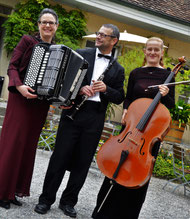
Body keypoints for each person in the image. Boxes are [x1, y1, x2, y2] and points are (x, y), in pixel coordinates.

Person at [34, 24, 125, 218]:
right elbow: (64, 76)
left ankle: (68, 202)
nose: (98, 37)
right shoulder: (82, 53)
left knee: (83, 162)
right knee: (59, 158)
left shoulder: (118, 69)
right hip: (73, 110)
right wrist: (80, 88)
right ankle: (46, 199)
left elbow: (119, 96)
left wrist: (106, 89)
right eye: (98, 33)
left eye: (103, 35)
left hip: (95, 117)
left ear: (114, 40)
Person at [92, 37, 175, 219]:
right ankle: (102, 212)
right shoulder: (136, 73)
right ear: (145, 51)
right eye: (149, 49)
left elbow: (171, 107)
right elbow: (128, 97)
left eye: (156, 50)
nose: (152, 52)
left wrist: (166, 94)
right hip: (131, 130)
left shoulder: (168, 76)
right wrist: (126, 110)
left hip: (150, 135)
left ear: (162, 53)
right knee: (115, 171)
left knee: (138, 178)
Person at [0, 8, 59, 209]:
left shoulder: (59, 51)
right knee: (13, 144)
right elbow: (12, 66)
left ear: (56, 26)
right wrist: (20, 86)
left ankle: (13, 191)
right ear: (38, 25)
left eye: (51, 22)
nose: (47, 26)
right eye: (44, 22)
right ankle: (2, 192)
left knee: (27, 148)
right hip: (21, 99)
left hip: (40, 105)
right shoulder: (27, 41)